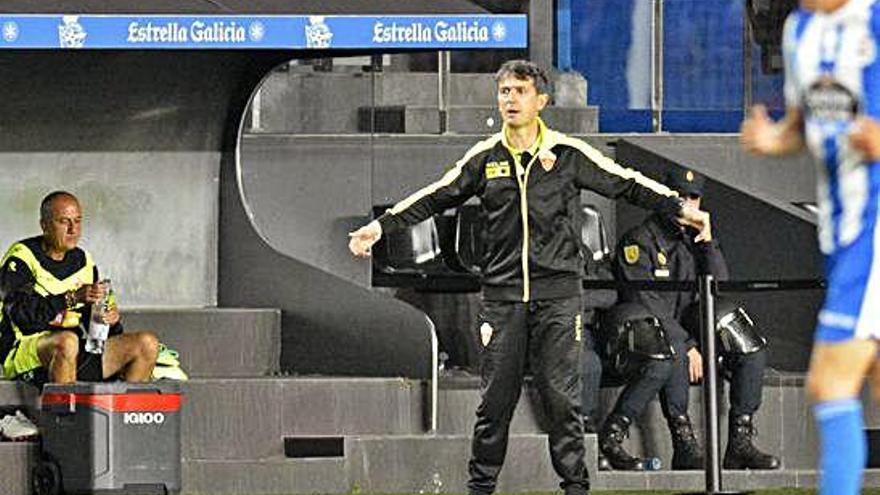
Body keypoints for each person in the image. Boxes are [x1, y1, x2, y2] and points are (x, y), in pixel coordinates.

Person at [349, 59, 710, 495]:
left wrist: (679, 207)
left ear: (541, 101)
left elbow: (627, 183)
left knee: (562, 401)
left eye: (520, 91)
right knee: (494, 405)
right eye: (504, 91)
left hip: (558, 299)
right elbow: (436, 195)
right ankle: (480, 488)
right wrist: (382, 226)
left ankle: (575, 487)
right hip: (502, 301)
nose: (510, 99)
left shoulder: (569, 156)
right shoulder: (484, 159)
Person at [742, 1, 880, 492]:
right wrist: (772, 137)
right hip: (843, 235)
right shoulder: (800, 31)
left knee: (830, 384)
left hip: (874, 231)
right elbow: (805, 124)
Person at [597, 168, 779, 471]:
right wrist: (690, 343)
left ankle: (739, 443)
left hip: (688, 328)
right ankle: (683, 443)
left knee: (748, 345)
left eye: (693, 196)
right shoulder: (639, 241)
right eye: (679, 195)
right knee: (671, 345)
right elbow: (644, 302)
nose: (687, 202)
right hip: (645, 334)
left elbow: (720, 288)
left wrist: (706, 239)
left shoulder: (694, 239)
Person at [0, 191, 159, 386]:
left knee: (146, 344)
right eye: (64, 222)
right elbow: (22, 317)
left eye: (77, 221)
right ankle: (65, 416)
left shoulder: (83, 262)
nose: (73, 230)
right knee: (67, 342)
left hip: (74, 352)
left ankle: (119, 414)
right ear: (45, 226)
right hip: (26, 353)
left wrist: (110, 322)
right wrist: (71, 298)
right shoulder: (21, 258)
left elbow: (95, 333)